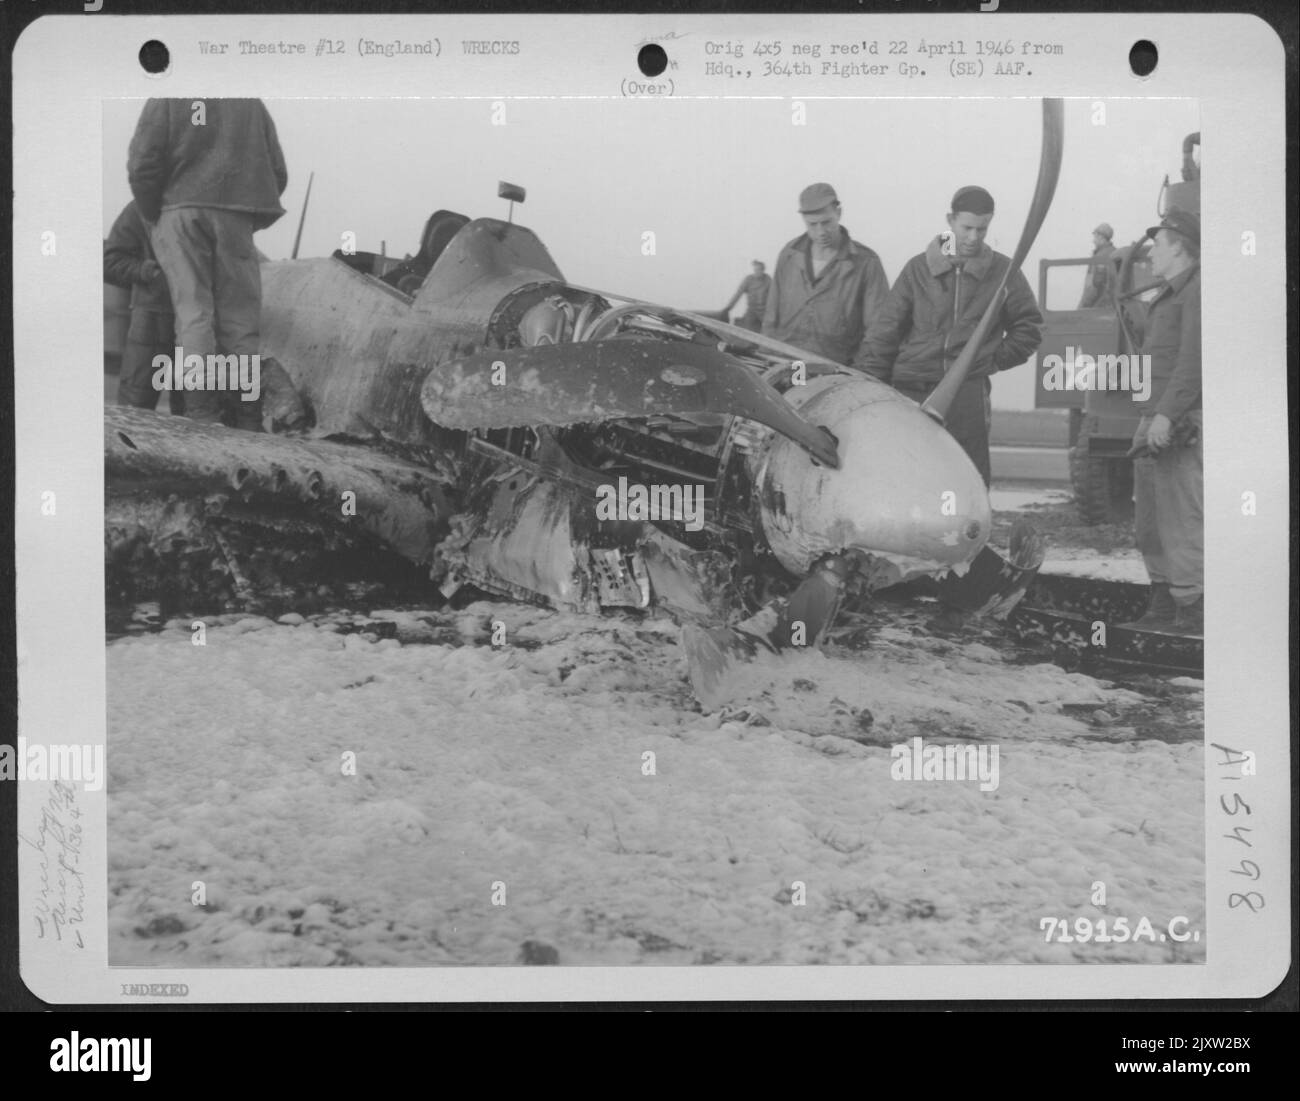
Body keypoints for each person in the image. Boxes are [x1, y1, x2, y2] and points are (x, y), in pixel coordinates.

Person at [854, 185, 1043, 486]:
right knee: (907, 479)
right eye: (967, 227)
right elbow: (883, 333)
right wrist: (868, 391)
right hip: (911, 390)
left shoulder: (1004, 272)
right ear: (950, 221)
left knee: (969, 480)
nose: (974, 237)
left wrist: (989, 362)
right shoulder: (917, 269)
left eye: (982, 229)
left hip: (967, 395)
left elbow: (1029, 328)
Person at [128, 97, 288, 430]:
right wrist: (242, 215)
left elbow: (143, 164)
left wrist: (153, 214)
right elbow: (278, 172)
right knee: (241, 322)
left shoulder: (168, 95)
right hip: (236, 213)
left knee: (193, 315)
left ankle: (202, 414)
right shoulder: (251, 103)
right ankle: (248, 417)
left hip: (178, 211)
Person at [1124, 210, 1202, 634]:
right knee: (1150, 519)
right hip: (1154, 417)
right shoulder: (1168, 296)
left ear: (1180, 247)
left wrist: (1167, 416)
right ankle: (1161, 602)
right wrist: (1150, 415)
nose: (1151, 253)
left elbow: (1193, 363)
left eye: (1159, 245)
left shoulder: (1196, 292)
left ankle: (1191, 611)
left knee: (1180, 517)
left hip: (1176, 419)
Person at [762, 183, 889, 364]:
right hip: (786, 367)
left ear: (838, 213)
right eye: (812, 225)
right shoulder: (789, 255)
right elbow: (771, 317)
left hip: (835, 372)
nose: (820, 231)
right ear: (804, 220)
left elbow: (878, 329)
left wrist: (861, 372)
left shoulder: (866, 263)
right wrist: (766, 361)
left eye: (826, 222)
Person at [103, 200, 178, 412]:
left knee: (194, 417)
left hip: (203, 325)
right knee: (134, 410)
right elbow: (109, 261)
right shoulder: (142, 207)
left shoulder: (211, 203)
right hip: (151, 323)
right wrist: (149, 273)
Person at [721, 260, 772, 332]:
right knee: (746, 329)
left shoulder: (768, 280)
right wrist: (728, 308)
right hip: (752, 310)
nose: (757, 272)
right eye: (755, 270)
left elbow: (774, 298)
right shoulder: (748, 279)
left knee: (770, 328)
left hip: (764, 312)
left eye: (759, 270)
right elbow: (738, 294)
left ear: (763, 270)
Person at [1078, 222, 1117, 308]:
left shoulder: (1099, 258)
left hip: (1099, 308)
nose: (1093, 240)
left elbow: (1093, 286)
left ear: (1101, 237)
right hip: (1113, 307)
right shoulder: (1115, 253)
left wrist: (1082, 308)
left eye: (1095, 236)